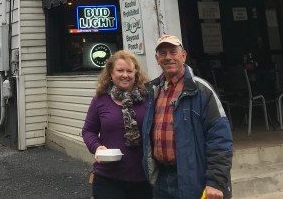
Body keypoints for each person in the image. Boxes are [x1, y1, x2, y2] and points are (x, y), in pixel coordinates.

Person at [142, 35, 233, 199]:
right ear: (157, 59)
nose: (168, 57)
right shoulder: (152, 91)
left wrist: (215, 181)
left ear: (183, 56)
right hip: (161, 179)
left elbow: (220, 139)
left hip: (194, 179)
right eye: (162, 53)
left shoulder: (202, 91)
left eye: (173, 52)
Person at [82, 50, 153, 199]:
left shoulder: (148, 99)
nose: (125, 75)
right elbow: (88, 131)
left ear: (136, 73)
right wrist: (97, 147)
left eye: (129, 71)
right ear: (111, 73)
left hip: (143, 178)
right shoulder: (100, 100)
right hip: (108, 178)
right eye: (120, 70)